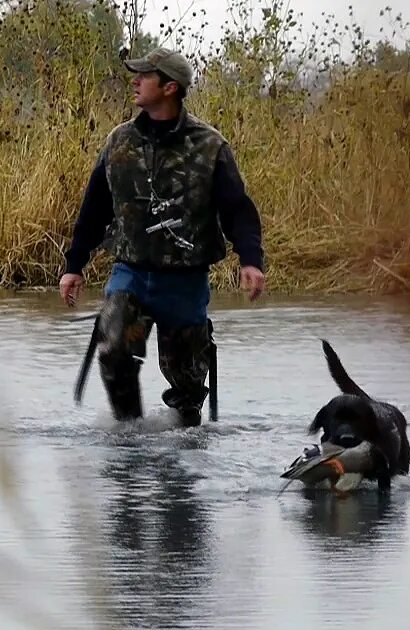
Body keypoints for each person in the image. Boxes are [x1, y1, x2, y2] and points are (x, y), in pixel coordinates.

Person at [58, 46, 266, 427]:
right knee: (115, 348)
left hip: (185, 284)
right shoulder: (119, 142)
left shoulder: (210, 146)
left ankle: (179, 454)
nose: (134, 81)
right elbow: (94, 208)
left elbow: (237, 209)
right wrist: (74, 266)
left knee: (187, 401)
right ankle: (129, 436)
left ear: (170, 88)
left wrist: (250, 260)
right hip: (131, 276)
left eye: (144, 76)